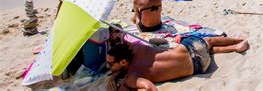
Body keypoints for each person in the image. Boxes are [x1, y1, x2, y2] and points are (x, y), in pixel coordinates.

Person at [106, 36, 249, 90]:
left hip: (198, 66)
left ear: (124, 62)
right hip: (193, 48)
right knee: (208, 42)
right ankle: (238, 42)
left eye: (111, 64)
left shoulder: (132, 77)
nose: (108, 67)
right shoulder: (136, 48)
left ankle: (235, 47)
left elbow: (150, 88)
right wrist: (115, 74)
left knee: (208, 51)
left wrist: (122, 84)